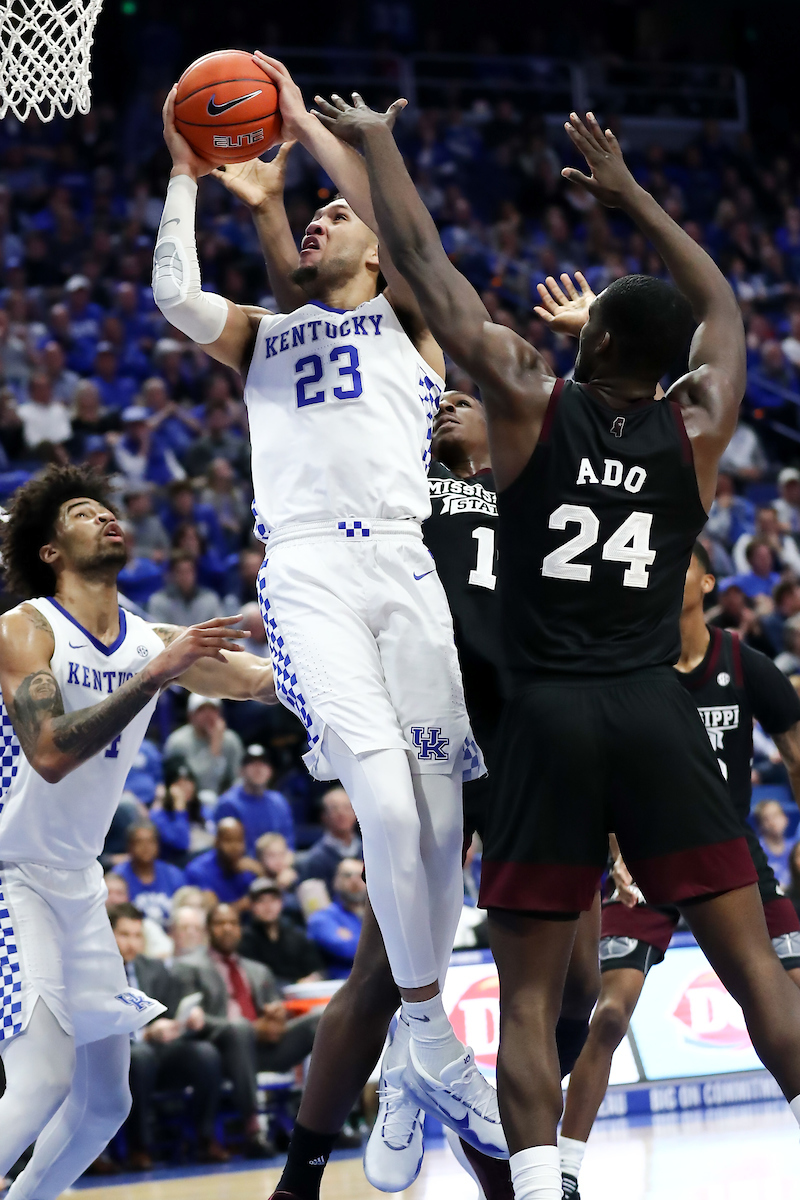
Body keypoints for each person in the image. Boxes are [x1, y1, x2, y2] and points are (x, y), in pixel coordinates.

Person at [319, 95, 800, 1198]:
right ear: (670, 368)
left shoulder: (530, 404)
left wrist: (383, 146)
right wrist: (630, 194)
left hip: (542, 718)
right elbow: (719, 307)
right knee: (752, 978)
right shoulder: (700, 430)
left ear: (591, 346)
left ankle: (539, 1188)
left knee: (531, 999)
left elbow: (429, 270)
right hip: (649, 709)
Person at [154, 63, 502, 1166]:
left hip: (406, 571)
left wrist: (304, 126)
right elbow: (174, 300)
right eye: (316, 212)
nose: (322, 216)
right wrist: (185, 180)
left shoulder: (410, 319)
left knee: (442, 836)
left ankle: (415, 1048)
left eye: (335, 212)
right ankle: (425, 1035)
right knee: (388, 819)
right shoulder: (264, 332)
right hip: (306, 574)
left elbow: (401, 232)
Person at [0, 463, 275, 1199]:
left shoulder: (151, 639)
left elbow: (257, 680)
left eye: (108, 510)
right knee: (42, 1081)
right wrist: (159, 675)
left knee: (103, 1104)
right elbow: (52, 751)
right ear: (51, 552)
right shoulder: (26, 629)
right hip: (10, 874)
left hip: (79, 882)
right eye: (84, 513)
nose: (108, 519)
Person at [559, 542, 800, 1197]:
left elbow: (795, 748)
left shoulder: (743, 664)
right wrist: (613, 847)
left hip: (730, 856)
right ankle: (564, 1174)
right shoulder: (633, 666)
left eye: (680, 564)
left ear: (708, 580)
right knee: (609, 1015)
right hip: (643, 859)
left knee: (787, 994)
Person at [173, 903, 318, 1154]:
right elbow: (190, 1019)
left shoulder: (258, 969)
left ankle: (324, 1120)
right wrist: (251, 1028)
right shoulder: (188, 967)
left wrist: (276, 1018)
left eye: (233, 923)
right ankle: (253, 1129)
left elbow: (273, 1010)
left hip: (263, 1050)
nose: (227, 929)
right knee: (240, 1030)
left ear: (240, 930)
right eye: (220, 924)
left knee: (320, 1020)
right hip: (220, 1052)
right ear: (208, 930)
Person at [110, 903, 229, 1168]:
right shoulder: (95, 971)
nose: (132, 943)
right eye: (124, 935)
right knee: (139, 1055)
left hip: (156, 1052)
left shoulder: (154, 968)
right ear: (108, 934)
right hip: (113, 1056)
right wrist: (144, 1033)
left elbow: (169, 1013)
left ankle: (203, 1137)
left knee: (204, 1053)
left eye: (137, 935)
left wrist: (182, 1021)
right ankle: (139, 1147)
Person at [239, 878, 323, 987]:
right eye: (261, 901)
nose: (268, 906)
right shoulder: (244, 939)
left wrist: (314, 977)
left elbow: (317, 968)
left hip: (301, 994)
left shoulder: (296, 935)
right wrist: (294, 984)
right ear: (251, 906)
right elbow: (253, 979)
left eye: (273, 900)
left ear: (281, 903)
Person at [215, 743, 295, 854]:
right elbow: (228, 852)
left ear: (270, 771)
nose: (258, 769)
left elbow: (289, 845)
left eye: (263, 763)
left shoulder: (279, 802)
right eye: (252, 763)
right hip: (242, 869)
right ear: (241, 771)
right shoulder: (229, 804)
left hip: (276, 865)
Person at [163, 693, 244, 794]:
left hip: (226, 801)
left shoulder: (231, 740)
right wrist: (215, 748)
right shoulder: (178, 742)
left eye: (213, 709)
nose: (208, 715)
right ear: (190, 716)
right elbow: (203, 785)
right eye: (201, 710)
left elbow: (238, 779)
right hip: (191, 801)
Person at [115, 821, 185, 927]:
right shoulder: (119, 877)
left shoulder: (173, 874)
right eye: (139, 842)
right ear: (129, 846)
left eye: (150, 841)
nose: (146, 847)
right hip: (133, 936)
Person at [306, 858, 366, 978]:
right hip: (341, 985)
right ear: (336, 881)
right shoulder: (322, 918)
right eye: (347, 875)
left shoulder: (377, 915)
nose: (355, 881)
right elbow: (349, 950)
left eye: (360, 876)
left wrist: (353, 938)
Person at [184, 817, 259, 907]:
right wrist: (243, 905)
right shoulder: (198, 870)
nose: (234, 847)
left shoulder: (250, 870)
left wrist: (261, 873)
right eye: (228, 841)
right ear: (216, 842)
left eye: (239, 841)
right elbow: (211, 914)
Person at [299, 786, 362, 892]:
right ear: (324, 816)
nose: (341, 813)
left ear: (356, 814)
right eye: (334, 808)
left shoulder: (367, 851)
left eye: (347, 808)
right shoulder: (316, 859)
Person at [147, 551, 221, 626]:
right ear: (171, 574)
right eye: (180, 572)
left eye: (189, 571)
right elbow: (158, 633)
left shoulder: (210, 599)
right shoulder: (159, 601)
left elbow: (220, 630)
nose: (185, 576)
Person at [755, 798, 795, 888]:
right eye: (766, 819)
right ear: (760, 825)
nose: (772, 822)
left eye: (776, 815)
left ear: (785, 818)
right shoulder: (756, 850)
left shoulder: (795, 848)